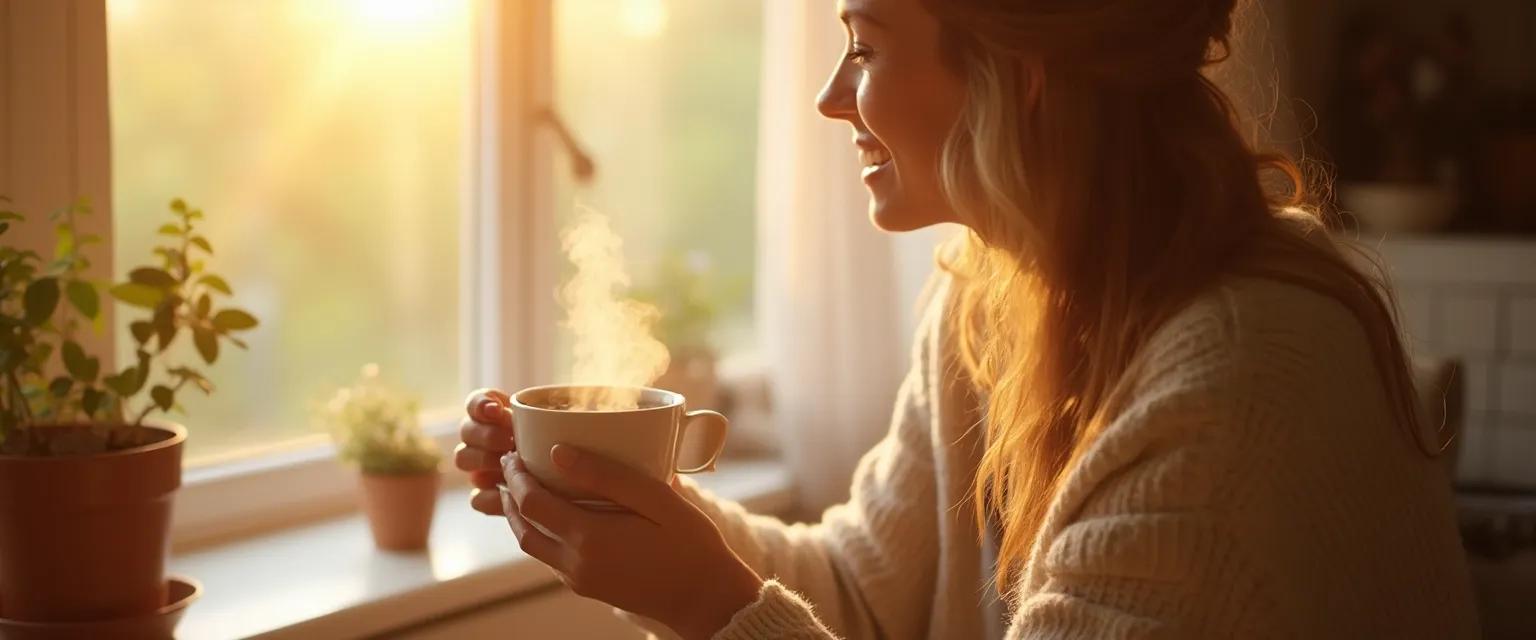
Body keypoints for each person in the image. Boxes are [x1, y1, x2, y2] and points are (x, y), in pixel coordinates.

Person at [454, 0, 1480, 637]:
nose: (827, 97)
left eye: (864, 43)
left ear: (1016, 72)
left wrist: (706, 603)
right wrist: (628, 511)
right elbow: (859, 596)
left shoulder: (1235, 388)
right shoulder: (992, 297)